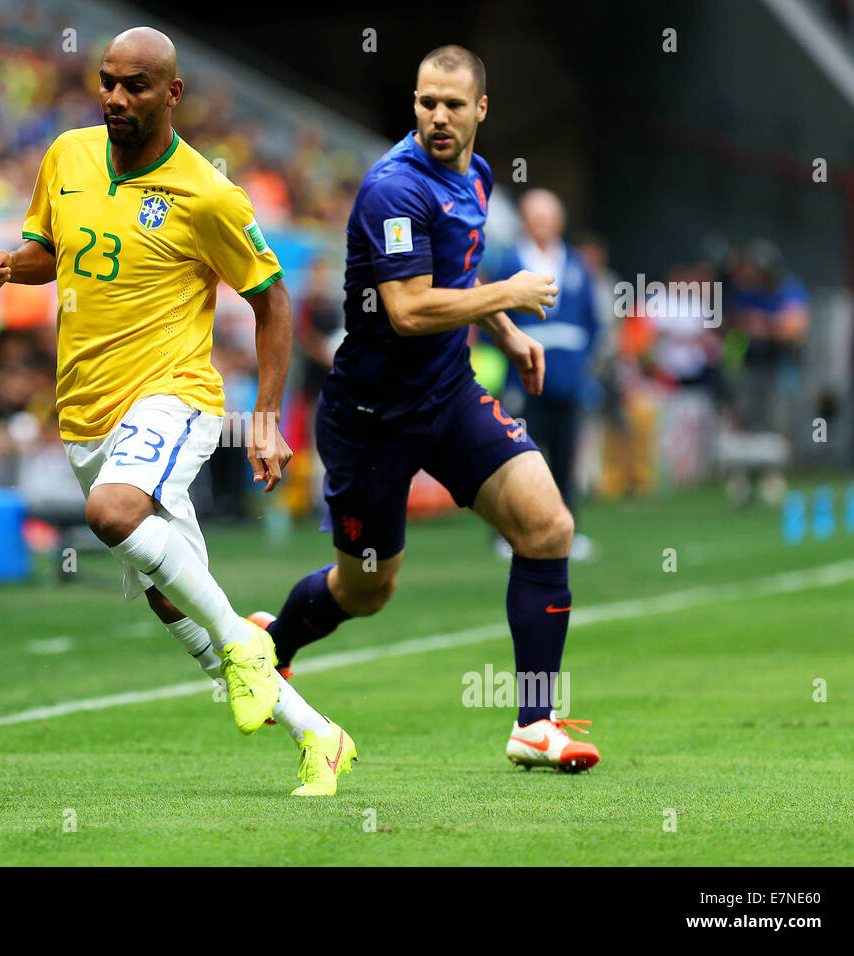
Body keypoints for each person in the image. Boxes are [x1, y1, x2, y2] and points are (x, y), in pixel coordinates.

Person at [0, 27, 356, 796]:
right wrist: (5, 265)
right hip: (84, 413)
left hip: (175, 395)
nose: (115, 97)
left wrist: (268, 417)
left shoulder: (206, 193)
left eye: (135, 85)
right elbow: (52, 251)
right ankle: (320, 736)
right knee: (172, 596)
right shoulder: (67, 156)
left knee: (114, 512)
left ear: (172, 93)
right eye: (107, 81)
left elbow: (271, 301)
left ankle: (252, 649)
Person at [260, 45, 600, 772]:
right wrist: (509, 296)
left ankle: (534, 724)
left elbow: (458, 271)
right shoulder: (393, 188)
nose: (437, 117)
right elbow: (410, 309)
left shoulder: (472, 174)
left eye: (452, 104)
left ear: (482, 109)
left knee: (547, 526)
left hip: (446, 397)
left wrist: (504, 333)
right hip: (371, 420)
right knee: (367, 590)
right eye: (425, 103)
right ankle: (274, 642)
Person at [482, 188, 601, 559]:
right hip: (522, 379)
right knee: (517, 457)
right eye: (534, 217)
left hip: (567, 381)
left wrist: (584, 364)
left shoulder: (578, 265)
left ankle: (567, 529)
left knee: (565, 459)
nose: (540, 225)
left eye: (547, 217)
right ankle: (509, 533)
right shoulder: (508, 263)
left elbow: (593, 324)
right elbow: (491, 316)